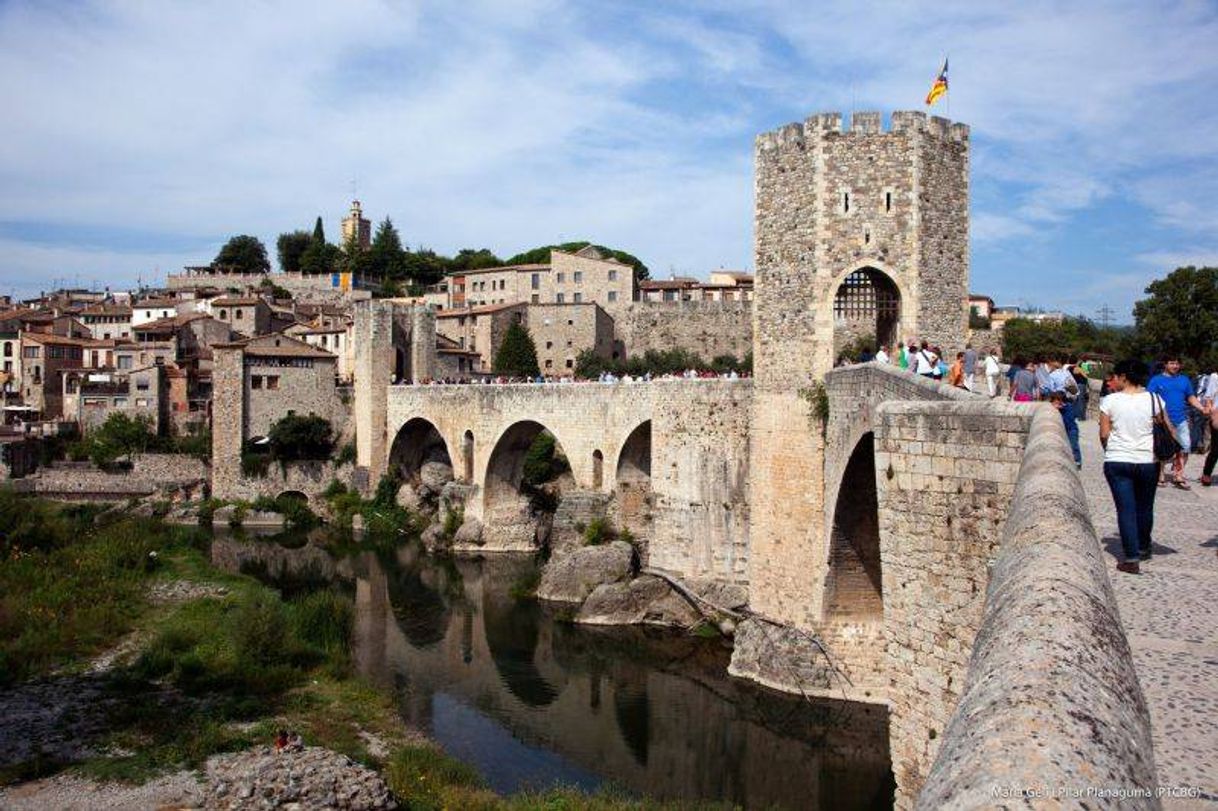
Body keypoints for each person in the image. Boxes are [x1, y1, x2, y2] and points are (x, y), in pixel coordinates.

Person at [1100, 359, 1174, 574]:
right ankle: (1143, 547)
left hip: (1117, 460)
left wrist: (1112, 451)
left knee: (1125, 509)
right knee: (1145, 506)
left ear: (1124, 377)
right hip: (1147, 461)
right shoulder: (1155, 399)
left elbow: (1104, 433)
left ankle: (1131, 558)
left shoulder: (1110, 400)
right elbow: (1167, 427)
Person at [1147, 357, 1209, 489]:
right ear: (1165, 364)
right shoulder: (1156, 380)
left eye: (1177, 363)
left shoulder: (1184, 380)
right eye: (1172, 363)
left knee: (1185, 447)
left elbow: (1190, 397)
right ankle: (1160, 475)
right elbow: (1149, 398)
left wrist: (1201, 408)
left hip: (1181, 419)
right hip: (1162, 420)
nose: (1175, 366)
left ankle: (1178, 474)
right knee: (1162, 448)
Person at [1049, 390, 1081, 467]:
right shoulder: (1054, 408)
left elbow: (1068, 421)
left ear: (1061, 401)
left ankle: (1077, 461)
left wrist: (1062, 409)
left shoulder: (1068, 407)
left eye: (1056, 401)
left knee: (1073, 445)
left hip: (1071, 430)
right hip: (1064, 430)